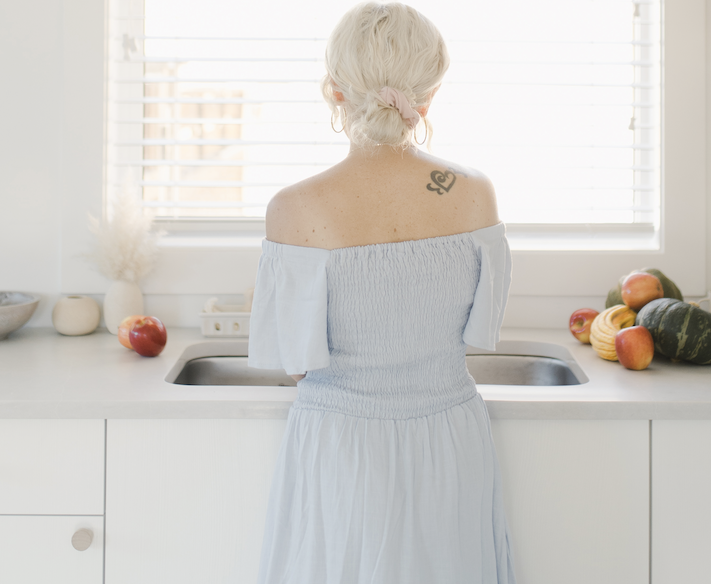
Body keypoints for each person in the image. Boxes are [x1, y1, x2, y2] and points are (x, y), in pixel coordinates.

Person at [248, 2, 516, 582]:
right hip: (450, 441)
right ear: (431, 94)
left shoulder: (295, 210)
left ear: (334, 90)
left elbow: (296, 362)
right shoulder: (473, 194)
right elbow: (481, 331)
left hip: (341, 446)